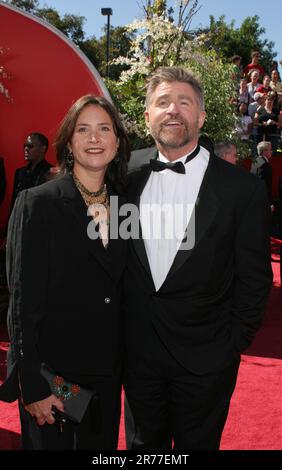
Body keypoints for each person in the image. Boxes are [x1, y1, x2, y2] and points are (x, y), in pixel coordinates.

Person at [123, 66, 273, 450]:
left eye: (184, 102)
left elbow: (254, 280)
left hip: (207, 360)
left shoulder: (242, 190)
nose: (173, 110)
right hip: (137, 358)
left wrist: (230, 344)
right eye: (162, 102)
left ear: (201, 117)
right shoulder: (122, 174)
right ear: (147, 117)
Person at [0, 95, 130, 450]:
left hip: (105, 375)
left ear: (117, 143)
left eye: (104, 129)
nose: (94, 138)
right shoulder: (38, 202)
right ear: (69, 141)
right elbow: (22, 300)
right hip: (53, 377)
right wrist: (32, 381)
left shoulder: (124, 208)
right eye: (83, 129)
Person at [9, 132, 52, 214]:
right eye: (25, 146)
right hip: (20, 219)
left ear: (43, 149)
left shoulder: (52, 172)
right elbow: (14, 203)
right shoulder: (20, 173)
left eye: (30, 146)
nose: (26, 149)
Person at [250, 141, 274, 212]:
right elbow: (265, 185)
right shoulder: (264, 165)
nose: (271, 151)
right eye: (270, 149)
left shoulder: (256, 161)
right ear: (264, 151)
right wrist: (270, 203)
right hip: (262, 202)